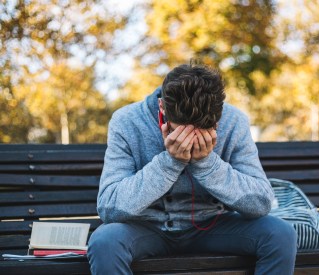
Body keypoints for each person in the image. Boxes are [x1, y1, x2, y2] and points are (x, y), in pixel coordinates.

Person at [87, 63, 297, 275]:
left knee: (280, 233)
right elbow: (109, 207)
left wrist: (207, 164)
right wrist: (169, 162)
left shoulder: (235, 121)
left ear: (219, 115)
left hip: (213, 225)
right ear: (162, 107)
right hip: (146, 227)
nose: (192, 140)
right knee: (105, 241)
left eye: (204, 130)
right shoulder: (126, 121)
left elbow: (261, 203)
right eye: (183, 132)